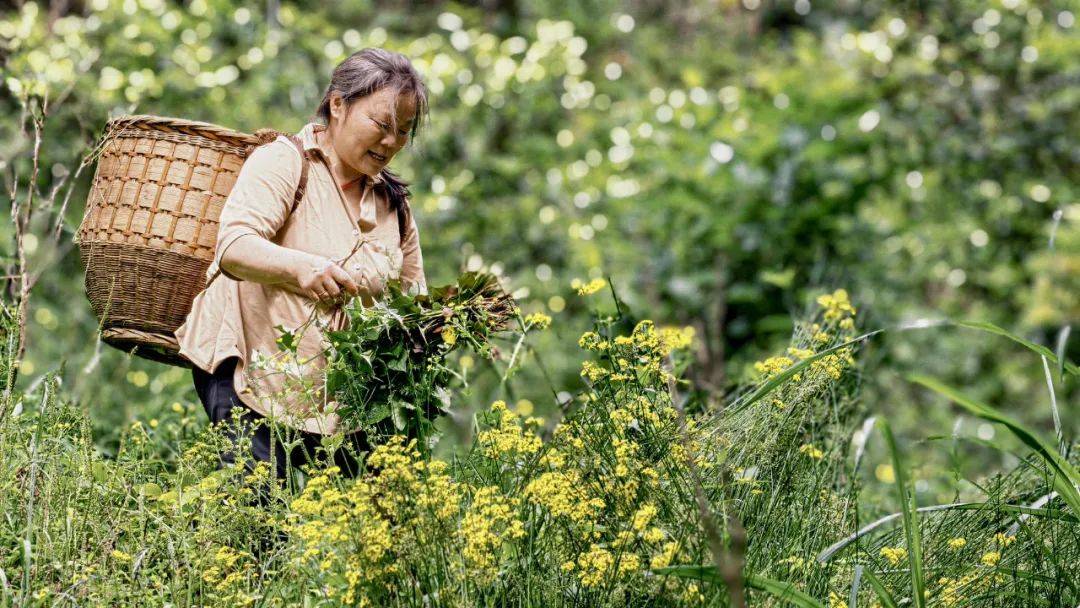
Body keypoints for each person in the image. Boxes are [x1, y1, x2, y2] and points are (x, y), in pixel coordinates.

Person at [174, 47, 430, 494]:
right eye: (382, 125)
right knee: (259, 523)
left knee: (347, 539)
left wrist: (446, 323)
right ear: (338, 105)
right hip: (252, 374)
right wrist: (302, 269)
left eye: (404, 131)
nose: (391, 143)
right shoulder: (285, 161)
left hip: (339, 404)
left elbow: (413, 303)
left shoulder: (395, 206)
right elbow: (234, 246)